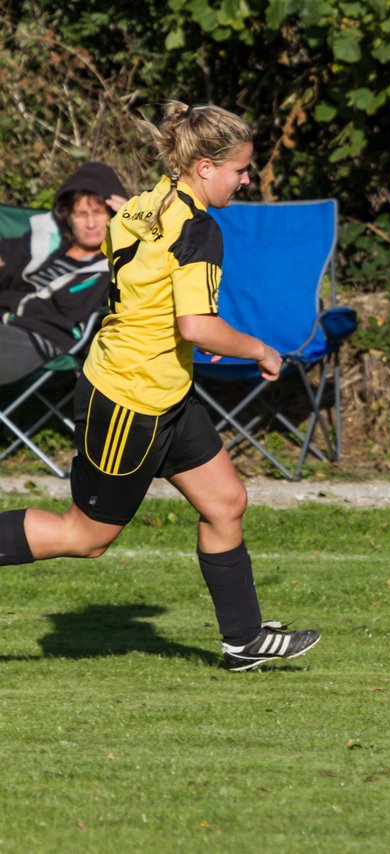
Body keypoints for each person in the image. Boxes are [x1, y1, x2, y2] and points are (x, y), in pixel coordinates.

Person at [0, 102, 320, 671]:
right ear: (203, 166)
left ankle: (242, 641)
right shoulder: (199, 230)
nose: (247, 180)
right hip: (129, 398)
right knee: (85, 535)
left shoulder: (147, 202)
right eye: (240, 170)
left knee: (226, 502)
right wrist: (258, 348)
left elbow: (140, 277)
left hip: (164, 390)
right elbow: (195, 326)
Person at [0, 162, 127, 385]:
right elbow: (7, 258)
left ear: (112, 215)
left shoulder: (118, 265)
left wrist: (131, 223)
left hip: (40, 337)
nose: (90, 223)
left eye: (98, 213)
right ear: (68, 217)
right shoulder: (45, 245)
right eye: (81, 214)